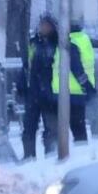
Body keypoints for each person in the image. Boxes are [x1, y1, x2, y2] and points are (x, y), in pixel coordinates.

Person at [20, 13, 62, 159]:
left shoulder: (57, 44)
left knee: (51, 128)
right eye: (41, 25)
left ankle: (51, 156)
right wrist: (22, 83)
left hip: (50, 92)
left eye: (45, 25)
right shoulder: (33, 43)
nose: (42, 28)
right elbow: (26, 66)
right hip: (33, 91)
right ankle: (28, 156)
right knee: (29, 126)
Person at [52, 23, 97, 143]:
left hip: (65, 89)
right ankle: (81, 148)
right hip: (78, 91)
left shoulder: (67, 42)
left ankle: (60, 150)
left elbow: (76, 67)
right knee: (79, 127)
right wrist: (88, 87)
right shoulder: (84, 38)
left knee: (61, 128)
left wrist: (85, 84)